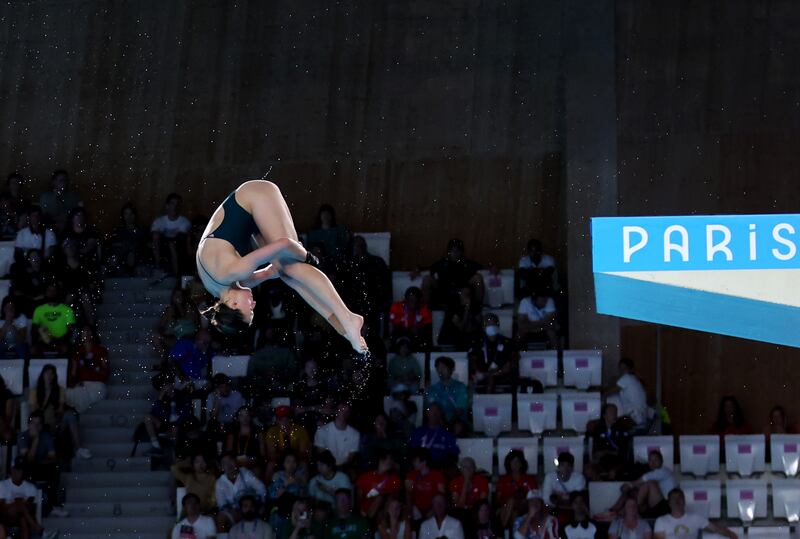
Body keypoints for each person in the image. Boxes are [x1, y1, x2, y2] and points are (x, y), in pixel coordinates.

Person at [195, 180, 366, 353]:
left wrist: (306, 256)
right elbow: (273, 271)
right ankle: (340, 326)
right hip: (248, 217)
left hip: (256, 195)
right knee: (286, 272)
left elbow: (285, 245)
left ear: (232, 304)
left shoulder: (233, 272)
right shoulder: (223, 288)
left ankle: (348, 318)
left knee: (291, 266)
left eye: (250, 310)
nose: (254, 304)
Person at [28, 364, 91, 459]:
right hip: (40, 421)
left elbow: (61, 409)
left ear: (54, 376)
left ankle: (79, 448)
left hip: (55, 419)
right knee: (43, 416)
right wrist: (45, 412)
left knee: (70, 414)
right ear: (43, 375)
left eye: (51, 374)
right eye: (47, 374)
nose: (49, 376)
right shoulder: (34, 391)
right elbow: (33, 411)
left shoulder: (59, 390)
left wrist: (54, 413)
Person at [0, 457, 56, 539]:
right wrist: (15, 504)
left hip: (22, 517)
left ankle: (40, 532)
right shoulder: (3, 485)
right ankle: (40, 531)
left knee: (23, 519)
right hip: (5, 516)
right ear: (12, 470)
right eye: (16, 469)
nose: (18, 472)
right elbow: (1, 506)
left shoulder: (30, 487)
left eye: (21, 470)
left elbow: (30, 507)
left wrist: (18, 504)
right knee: (20, 505)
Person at [424, 238, 484, 309]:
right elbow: (428, 269)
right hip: (444, 290)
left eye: (457, 251)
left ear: (461, 252)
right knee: (427, 278)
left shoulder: (467, 263)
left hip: (462, 291)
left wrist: (493, 269)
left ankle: (477, 307)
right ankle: (425, 308)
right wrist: (417, 269)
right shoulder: (442, 263)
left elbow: (482, 268)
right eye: (453, 250)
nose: (455, 253)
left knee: (478, 277)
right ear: (449, 252)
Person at [653, 489, 737, 539]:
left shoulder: (695, 518)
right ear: (669, 503)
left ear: (684, 501)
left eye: (680, 498)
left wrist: (731, 534)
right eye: (673, 498)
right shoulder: (661, 521)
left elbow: (716, 529)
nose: (677, 501)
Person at [215, 452, 267, 532]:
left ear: (235, 462)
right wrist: (233, 511)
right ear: (221, 467)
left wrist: (259, 502)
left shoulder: (245, 474)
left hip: (249, 507)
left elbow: (261, 488)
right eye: (225, 463)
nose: (229, 465)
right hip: (232, 512)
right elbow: (221, 505)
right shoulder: (220, 483)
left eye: (230, 461)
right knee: (220, 518)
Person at [469, 313, 518, 393]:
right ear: (483, 327)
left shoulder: (508, 342)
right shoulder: (477, 343)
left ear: (498, 325)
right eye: (487, 324)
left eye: (492, 323)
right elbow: (472, 360)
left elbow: (514, 358)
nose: (490, 326)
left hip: (502, 373)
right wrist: (482, 372)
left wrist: (501, 370)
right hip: (482, 373)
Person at [66, 325, 110, 413]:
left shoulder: (101, 350)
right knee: (69, 392)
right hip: (83, 385)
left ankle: (78, 410)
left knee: (82, 395)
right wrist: (74, 383)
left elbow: (106, 372)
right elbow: (73, 373)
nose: (86, 334)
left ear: (93, 334)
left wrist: (95, 367)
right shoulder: (77, 352)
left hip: (97, 385)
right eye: (84, 331)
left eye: (89, 331)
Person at [586, 404, 633, 481]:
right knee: (589, 470)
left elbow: (622, 452)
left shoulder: (621, 429)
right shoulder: (598, 430)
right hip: (602, 462)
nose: (614, 414)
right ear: (604, 415)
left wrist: (606, 451)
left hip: (618, 462)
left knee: (617, 471)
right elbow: (596, 452)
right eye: (611, 412)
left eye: (615, 412)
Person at [496, 450, 539, 528]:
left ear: (522, 463)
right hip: (507, 507)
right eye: (513, 462)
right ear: (509, 464)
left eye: (517, 462)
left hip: (525, 506)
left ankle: (502, 528)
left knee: (513, 503)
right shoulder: (503, 479)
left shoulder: (530, 479)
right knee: (513, 510)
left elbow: (535, 497)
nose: (515, 464)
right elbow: (499, 499)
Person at [152, 192, 192, 276]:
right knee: (158, 240)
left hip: (178, 247)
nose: (175, 207)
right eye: (172, 203)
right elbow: (155, 239)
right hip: (163, 247)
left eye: (177, 204)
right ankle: (158, 266)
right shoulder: (158, 222)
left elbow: (181, 238)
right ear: (167, 206)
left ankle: (176, 274)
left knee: (173, 245)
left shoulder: (184, 222)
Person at [31, 283, 76, 357]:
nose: (51, 292)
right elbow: (34, 327)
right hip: (44, 340)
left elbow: (70, 330)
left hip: (61, 340)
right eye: (49, 290)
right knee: (33, 350)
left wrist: (57, 340)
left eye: (54, 290)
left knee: (65, 349)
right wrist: (45, 336)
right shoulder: (39, 309)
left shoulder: (67, 310)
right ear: (46, 292)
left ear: (58, 292)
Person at [355, 449, 402, 518]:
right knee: (378, 498)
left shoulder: (394, 478)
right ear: (382, 460)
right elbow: (358, 499)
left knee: (381, 498)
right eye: (390, 459)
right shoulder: (365, 477)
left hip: (385, 512)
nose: (392, 462)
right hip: (366, 511)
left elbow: (395, 498)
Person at [313, 403, 361, 467]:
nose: (344, 413)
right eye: (341, 410)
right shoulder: (322, 431)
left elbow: (350, 458)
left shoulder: (355, 434)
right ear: (336, 411)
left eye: (347, 411)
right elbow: (322, 455)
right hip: (327, 467)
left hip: (344, 468)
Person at [405, 448, 446, 520]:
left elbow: (442, 495)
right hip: (416, 508)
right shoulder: (411, 475)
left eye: (415, 461)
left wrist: (433, 510)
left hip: (433, 508)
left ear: (424, 462)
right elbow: (408, 494)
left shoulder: (437, 475)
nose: (413, 463)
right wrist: (410, 510)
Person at [425, 357, 469, 425]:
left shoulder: (460, 387)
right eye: (438, 368)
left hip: (456, 421)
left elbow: (460, 409)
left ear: (452, 369)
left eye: (444, 367)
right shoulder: (432, 389)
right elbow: (431, 408)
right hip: (438, 422)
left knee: (458, 426)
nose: (441, 371)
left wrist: (448, 424)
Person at [605, 358, 648, 428]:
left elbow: (611, 390)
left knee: (610, 423)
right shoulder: (634, 379)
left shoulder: (627, 378)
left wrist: (599, 391)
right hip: (640, 418)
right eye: (620, 369)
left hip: (634, 418)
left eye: (624, 369)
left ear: (631, 369)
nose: (622, 371)